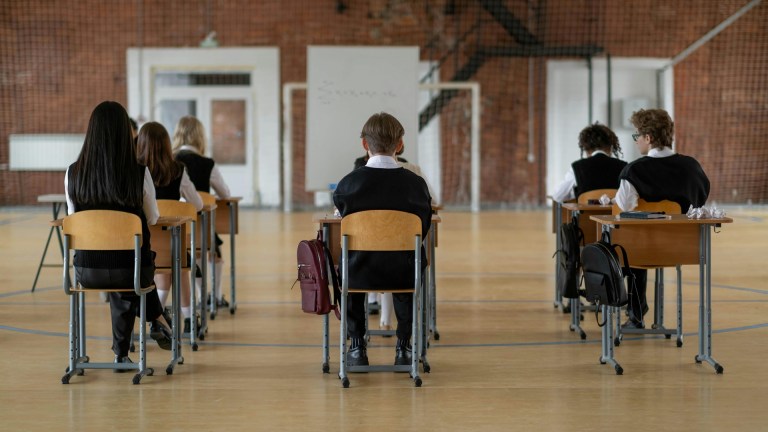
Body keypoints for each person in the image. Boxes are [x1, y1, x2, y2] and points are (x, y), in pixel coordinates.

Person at [64, 101, 172, 370]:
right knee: (132, 274)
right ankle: (157, 317)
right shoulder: (139, 173)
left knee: (120, 283)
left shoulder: (73, 173)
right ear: (127, 133)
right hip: (132, 269)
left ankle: (124, 351)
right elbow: (153, 218)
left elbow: (73, 217)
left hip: (86, 271)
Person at [334, 112, 432, 367]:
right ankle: (404, 347)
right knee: (409, 259)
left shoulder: (347, 184)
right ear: (400, 145)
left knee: (346, 260)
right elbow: (423, 227)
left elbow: (341, 222)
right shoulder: (416, 185)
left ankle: (356, 347)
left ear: (365, 145)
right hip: (404, 272)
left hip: (358, 271)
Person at [615, 108, 710, 329]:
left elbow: (623, 207)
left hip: (641, 249)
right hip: (682, 249)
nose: (636, 140)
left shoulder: (634, 170)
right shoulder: (692, 167)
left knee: (627, 242)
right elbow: (700, 200)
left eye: (637, 135)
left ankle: (633, 311)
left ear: (648, 138)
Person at [137, 122, 204, 334]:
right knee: (180, 266)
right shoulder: (178, 171)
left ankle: (157, 317)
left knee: (164, 269)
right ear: (167, 144)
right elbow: (198, 205)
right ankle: (189, 318)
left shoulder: (134, 171)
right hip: (171, 244)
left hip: (142, 246)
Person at [172, 116, 231, 308]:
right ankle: (213, 296)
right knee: (212, 249)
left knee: (192, 249)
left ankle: (198, 296)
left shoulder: (167, 161)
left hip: (171, 229)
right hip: (199, 228)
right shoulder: (207, 164)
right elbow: (225, 193)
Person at [551, 123, 626, 203]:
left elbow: (558, 196)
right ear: (611, 147)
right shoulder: (624, 167)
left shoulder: (577, 168)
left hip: (585, 215)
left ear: (586, 149)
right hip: (615, 215)